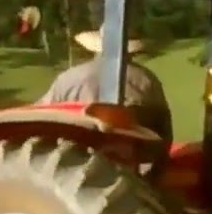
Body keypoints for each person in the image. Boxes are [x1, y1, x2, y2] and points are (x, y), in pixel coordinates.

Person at [37, 26, 174, 148]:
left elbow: (41, 116)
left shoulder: (68, 78)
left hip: (76, 155)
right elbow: (163, 132)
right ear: (131, 50)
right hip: (127, 156)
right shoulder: (147, 80)